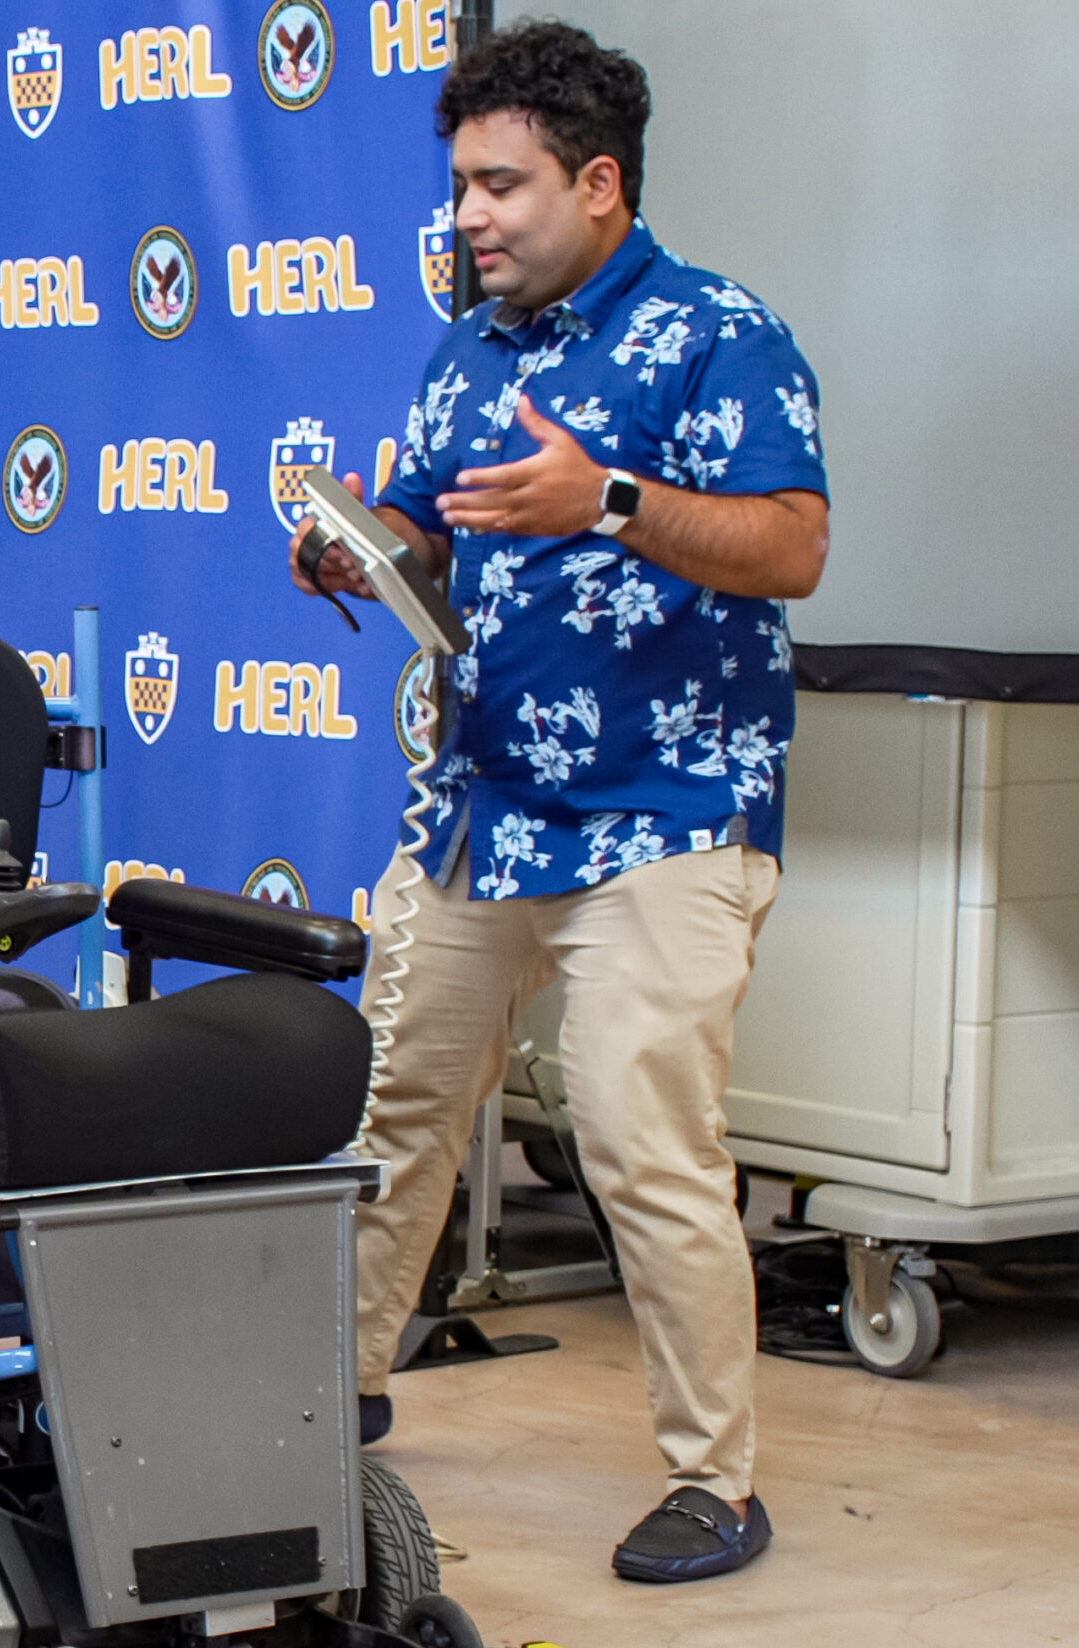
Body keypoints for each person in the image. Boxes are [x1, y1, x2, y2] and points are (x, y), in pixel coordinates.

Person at [288, 21, 828, 1583]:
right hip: (482, 806)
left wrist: (610, 498)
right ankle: (340, 1390)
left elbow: (792, 545)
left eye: (500, 185)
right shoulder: (470, 349)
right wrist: (364, 541)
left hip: (666, 809)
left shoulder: (725, 334)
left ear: (599, 184)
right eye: (460, 185)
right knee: (393, 1113)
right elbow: (445, 532)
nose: (469, 215)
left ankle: (717, 1482)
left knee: (639, 1137)